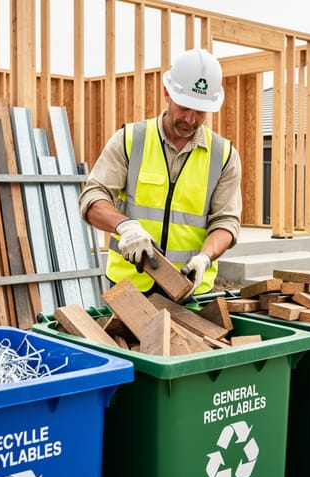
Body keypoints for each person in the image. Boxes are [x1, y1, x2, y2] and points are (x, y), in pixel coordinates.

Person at [79, 48, 242, 301]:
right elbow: (91, 198)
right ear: (167, 93)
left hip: (191, 291)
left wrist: (204, 258)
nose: (190, 119)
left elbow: (227, 223)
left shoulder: (223, 156)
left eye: (200, 112)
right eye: (185, 107)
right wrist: (125, 226)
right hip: (129, 288)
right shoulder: (130, 140)